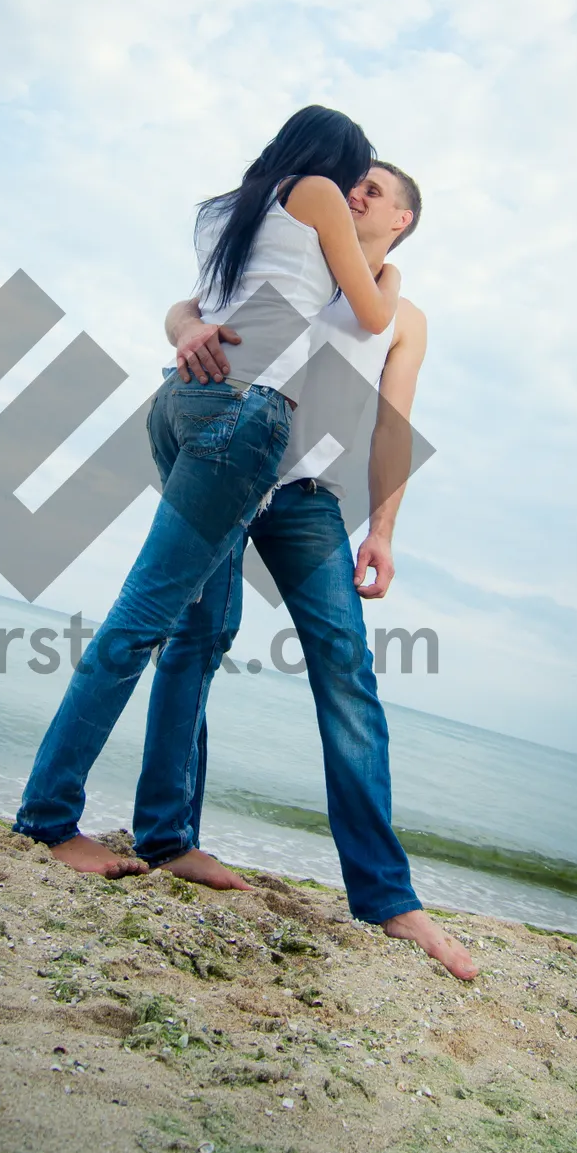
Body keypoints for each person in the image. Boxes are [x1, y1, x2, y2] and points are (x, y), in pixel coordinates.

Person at [14, 105, 400, 876]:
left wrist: (178, 325)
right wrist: (390, 271)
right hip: (243, 413)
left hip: (181, 403)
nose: (353, 190)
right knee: (145, 617)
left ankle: (167, 838)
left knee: (205, 620)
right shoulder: (318, 192)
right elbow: (373, 310)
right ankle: (49, 819)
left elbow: (196, 306)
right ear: (335, 159)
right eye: (357, 173)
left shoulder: (227, 207)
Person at [140, 161, 479, 981]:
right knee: (194, 642)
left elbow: (393, 426)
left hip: (306, 499)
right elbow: (194, 306)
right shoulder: (303, 259)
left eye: (375, 190)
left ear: (400, 221)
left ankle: (387, 897)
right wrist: (180, 321)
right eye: (352, 181)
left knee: (347, 673)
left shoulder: (404, 317)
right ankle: (167, 840)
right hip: (223, 466)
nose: (354, 192)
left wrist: (385, 531)